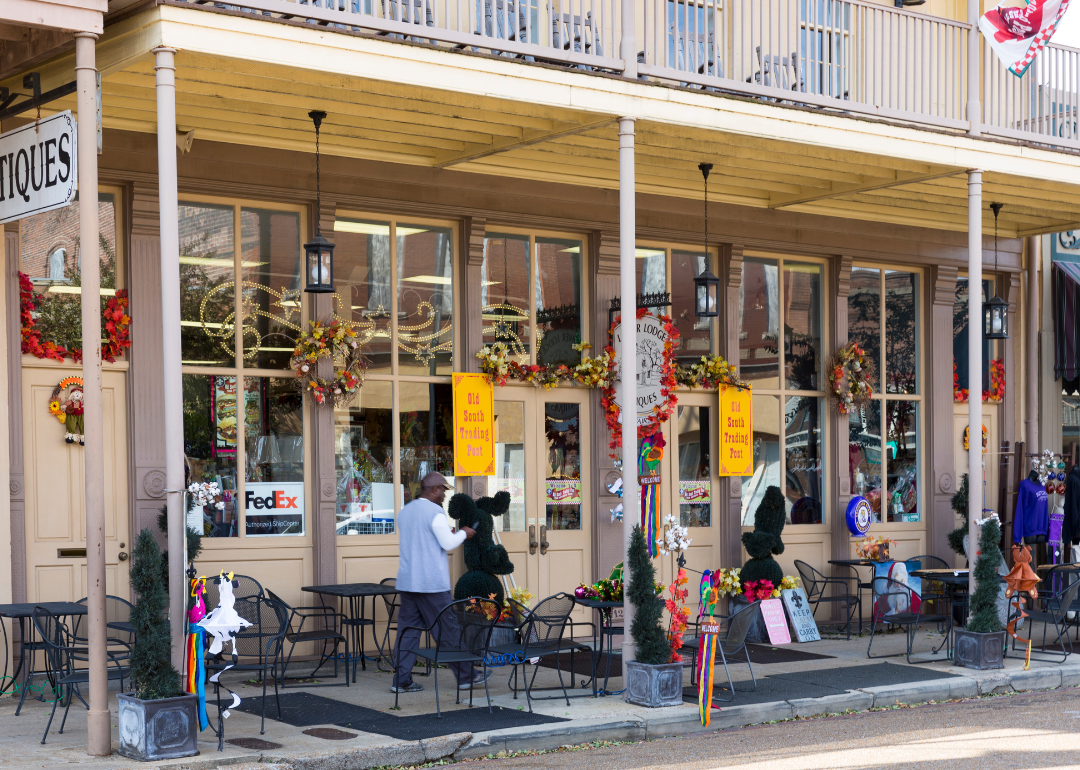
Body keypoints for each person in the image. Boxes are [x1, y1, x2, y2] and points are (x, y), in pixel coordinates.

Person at [391, 472, 487, 694]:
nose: (444, 494)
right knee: (448, 630)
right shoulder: (435, 512)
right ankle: (467, 677)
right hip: (431, 584)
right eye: (443, 490)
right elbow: (448, 543)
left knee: (407, 632)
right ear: (434, 489)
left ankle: (401, 680)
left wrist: (449, 534)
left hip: (407, 582)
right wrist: (463, 533)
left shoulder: (405, 512)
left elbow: (423, 541)